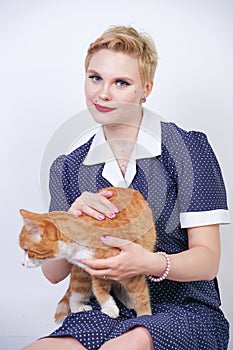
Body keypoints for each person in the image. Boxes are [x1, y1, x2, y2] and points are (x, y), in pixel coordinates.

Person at [22, 25, 230, 350]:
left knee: (126, 345)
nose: (103, 94)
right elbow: (53, 273)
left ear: (146, 88)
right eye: (95, 78)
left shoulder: (188, 150)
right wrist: (68, 221)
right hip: (105, 311)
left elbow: (208, 262)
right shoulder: (67, 167)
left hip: (182, 308)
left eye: (121, 83)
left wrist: (147, 262)